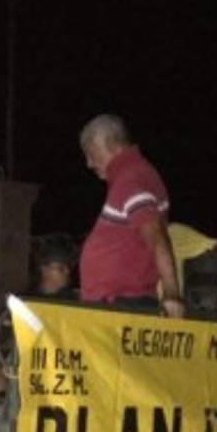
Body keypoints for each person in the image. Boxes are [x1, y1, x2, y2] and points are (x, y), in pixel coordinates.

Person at [76, 115, 183, 318]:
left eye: (91, 153)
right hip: (117, 303)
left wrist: (171, 293)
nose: (89, 163)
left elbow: (156, 235)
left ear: (110, 144)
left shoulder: (132, 178)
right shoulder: (130, 177)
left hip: (122, 305)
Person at [33, 234, 79, 300]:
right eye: (61, 268)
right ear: (44, 269)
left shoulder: (75, 302)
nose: (67, 272)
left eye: (69, 267)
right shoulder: (26, 302)